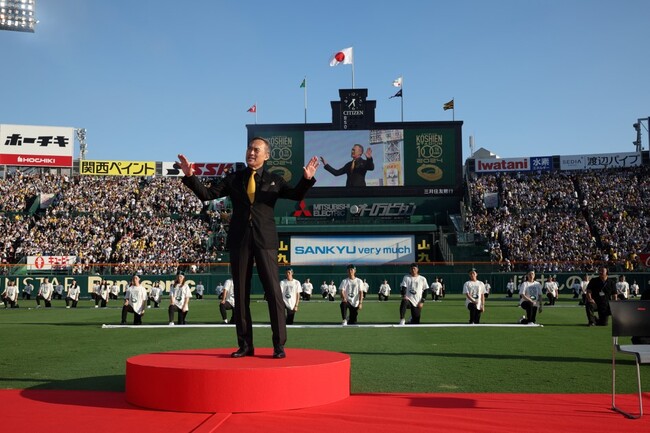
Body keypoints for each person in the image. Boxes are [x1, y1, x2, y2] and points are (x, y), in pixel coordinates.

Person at [178, 139, 319, 359]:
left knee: (273, 292)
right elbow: (206, 195)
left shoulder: (274, 180)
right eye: (249, 149)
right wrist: (189, 176)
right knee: (241, 293)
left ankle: (279, 345)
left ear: (266, 156)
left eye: (256, 150)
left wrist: (307, 179)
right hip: (240, 240)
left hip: (266, 240)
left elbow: (295, 195)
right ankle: (245, 345)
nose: (251, 153)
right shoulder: (234, 178)